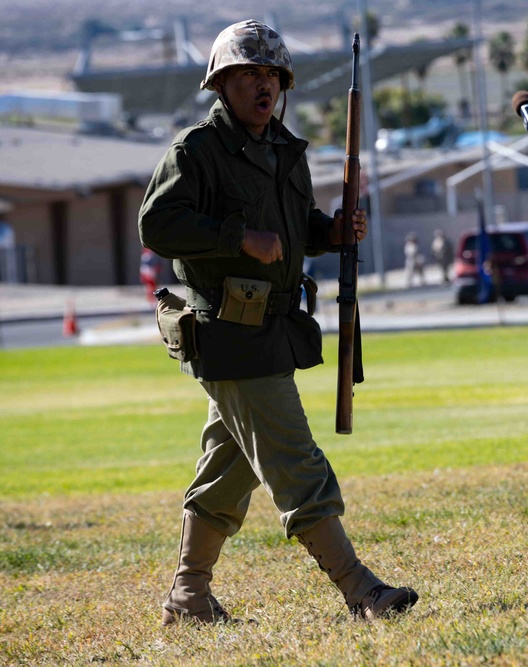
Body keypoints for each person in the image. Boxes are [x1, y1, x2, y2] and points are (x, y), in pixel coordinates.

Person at [138, 20, 418, 625]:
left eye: (271, 75)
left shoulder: (284, 150)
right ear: (222, 84)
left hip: (273, 329)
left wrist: (330, 232)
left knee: (226, 472)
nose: (261, 85)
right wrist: (236, 239)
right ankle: (361, 590)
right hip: (227, 332)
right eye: (247, 75)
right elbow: (155, 226)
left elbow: (294, 228)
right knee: (295, 460)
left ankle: (188, 600)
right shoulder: (197, 151)